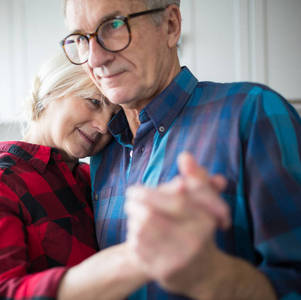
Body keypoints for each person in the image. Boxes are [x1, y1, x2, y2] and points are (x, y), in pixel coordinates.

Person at [61, 0, 301, 299]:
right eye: (82, 39)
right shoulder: (102, 151)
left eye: (114, 25)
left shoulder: (253, 112)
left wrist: (212, 276)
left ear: (171, 26)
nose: (95, 58)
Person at [0, 52, 167, 300]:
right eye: (94, 102)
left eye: (113, 117)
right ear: (51, 92)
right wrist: (121, 267)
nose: (102, 125)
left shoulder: (94, 179)